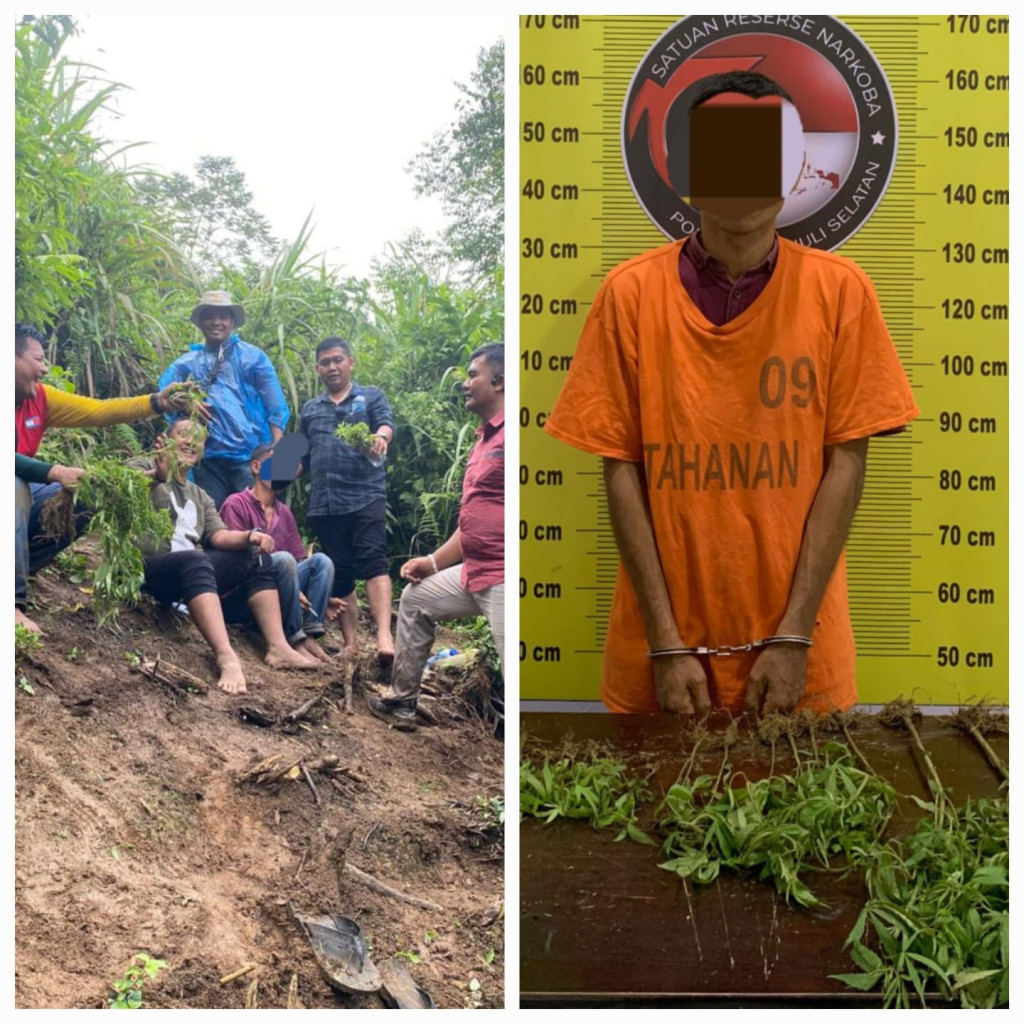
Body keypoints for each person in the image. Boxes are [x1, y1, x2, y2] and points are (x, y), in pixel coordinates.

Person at [544, 71, 920, 718]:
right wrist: (665, 643)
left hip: (804, 651)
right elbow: (621, 471)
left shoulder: (842, 292)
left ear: (794, 165)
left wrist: (795, 635)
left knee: (804, 812)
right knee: (651, 815)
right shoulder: (629, 296)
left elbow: (847, 465)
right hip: (660, 656)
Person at [15, 322, 192, 634]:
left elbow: (98, 411)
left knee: (89, 493)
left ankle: (20, 568)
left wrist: (157, 403)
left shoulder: (39, 399)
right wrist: (53, 471)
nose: (45, 369)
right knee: (14, 486)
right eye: (39, 359)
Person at [367, 343, 504, 730]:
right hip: (474, 571)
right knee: (416, 598)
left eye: (473, 374)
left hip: (507, 577)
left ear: (499, 381)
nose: (465, 382)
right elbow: (475, 520)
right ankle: (401, 701)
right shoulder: (483, 440)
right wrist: (432, 562)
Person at [128, 420, 317, 693]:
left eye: (199, 439)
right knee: (195, 559)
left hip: (192, 573)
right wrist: (156, 476)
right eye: (183, 434)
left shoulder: (200, 495)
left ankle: (278, 647)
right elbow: (120, 493)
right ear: (165, 439)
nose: (191, 442)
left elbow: (218, 536)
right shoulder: (142, 469)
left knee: (257, 556)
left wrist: (250, 536)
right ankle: (226, 656)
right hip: (149, 568)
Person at [299, 337, 395, 660]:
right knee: (341, 574)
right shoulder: (311, 409)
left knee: (374, 561)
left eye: (338, 360)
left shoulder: (369, 397)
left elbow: (386, 425)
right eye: (325, 362)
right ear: (318, 369)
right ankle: (351, 644)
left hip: (366, 495)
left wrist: (380, 438)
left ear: (350, 362)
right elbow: (299, 456)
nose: (332, 367)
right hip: (326, 503)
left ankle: (384, 638)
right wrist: (262, 473)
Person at [158, 290, 290, 508]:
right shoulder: (187, 363)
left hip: (251, 457)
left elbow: (275, 406)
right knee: (210, 519)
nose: (216, 322)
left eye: (223, 317)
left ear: (233, 322)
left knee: (256, 514)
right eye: (209, 316)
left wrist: (276, 451)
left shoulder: (253, 357)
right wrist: (187, 401)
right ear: (200, 322)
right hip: (207, 458)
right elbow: (165, 395)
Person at [220, 442, 342, 665]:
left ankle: (309, 636)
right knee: (282, 560)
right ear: (256, 467)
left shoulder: (284, 513)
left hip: (280, 592)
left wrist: (318, 594)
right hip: (245, 594)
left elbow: (300, 562)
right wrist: (292, 587)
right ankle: (294, 641)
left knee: (321, 562)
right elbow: (235, 560)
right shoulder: (235, 504)